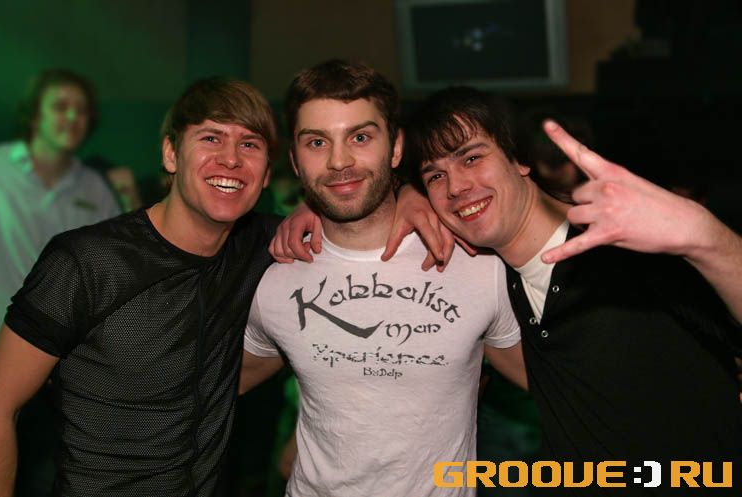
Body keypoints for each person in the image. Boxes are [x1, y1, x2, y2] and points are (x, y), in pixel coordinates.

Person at [405, 87, 742, 494]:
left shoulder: (625, 245)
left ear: (520, 159)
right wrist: (404, 196)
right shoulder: (493, 280)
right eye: (435, 176)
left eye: (472, 158)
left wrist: (707, 237)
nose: (455, 186)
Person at [0, 77, 281, 497]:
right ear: (171, 154)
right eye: (211, 137)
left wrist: (325, 213)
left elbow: (346, 227)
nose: (231, 159)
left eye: (250, 144)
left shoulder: (264, 247)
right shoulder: (86, 262)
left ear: (266, 174)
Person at [239, 60, 525, 497]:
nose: (339, 161)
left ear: (395, 148)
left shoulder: (475, 265)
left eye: (360, 137)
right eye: (317, 142)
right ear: (295, 161)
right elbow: (209, 388)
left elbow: (557, 386)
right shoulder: (274, 280)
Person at [0, 68, 120, 496]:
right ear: (34, 115)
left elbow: (114, 274)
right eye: (60, 106)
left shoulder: (94, 187)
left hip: (62, 362)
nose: (72, 117)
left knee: (52, 478)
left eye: (81, 110)